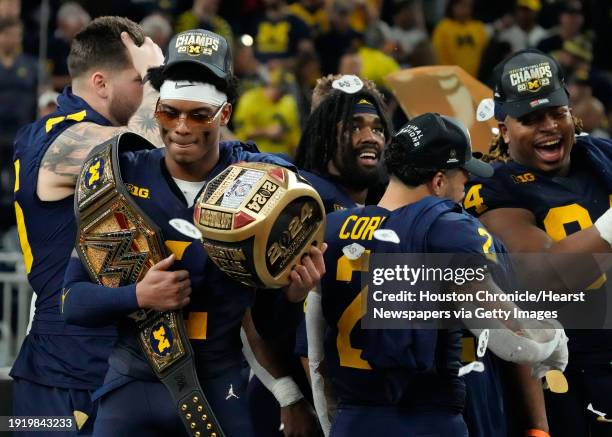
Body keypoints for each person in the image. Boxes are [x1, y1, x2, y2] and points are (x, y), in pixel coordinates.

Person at [61, 28, 326, 437]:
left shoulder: (263, 183)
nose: (181, 127)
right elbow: (72, 301)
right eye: (170, 113)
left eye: (198, 114)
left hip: (219, 386)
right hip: (131, 383)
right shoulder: (121, 178)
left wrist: (291, 294)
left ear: (224, 114)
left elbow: (267, 323)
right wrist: (138, 295)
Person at [318, 112, 568, 437]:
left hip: (354, 420)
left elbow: (314, 358)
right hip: (429, 419)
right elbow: (511, 338)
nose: (465, 192)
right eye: (463, 180)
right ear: (438, 181)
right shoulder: (451, 229)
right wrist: (554, 341)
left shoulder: (333, 227)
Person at [11, 16, 164, 434]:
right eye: (141, 80)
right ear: (100, 82)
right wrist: (156, 70)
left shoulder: (74, 131)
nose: (149, 90)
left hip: (115, 363)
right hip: (63, 373)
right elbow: (153, 151)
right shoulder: (61, 139)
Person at [464, 48, 612, 437]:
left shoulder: (601, 156)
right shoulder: (493, 188)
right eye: (530, 119)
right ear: (504, 129)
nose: (548, 126)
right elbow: (541, 272)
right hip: (568, 371)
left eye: (555, 113)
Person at [246, 74, 393, 437]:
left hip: (351, 403)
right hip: (292, 408)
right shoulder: (296, 200)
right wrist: (289, 396)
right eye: (354, 126)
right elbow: (247, 315)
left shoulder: (375, 207)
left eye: (377, 127)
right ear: (323, 132)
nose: (370, 136)